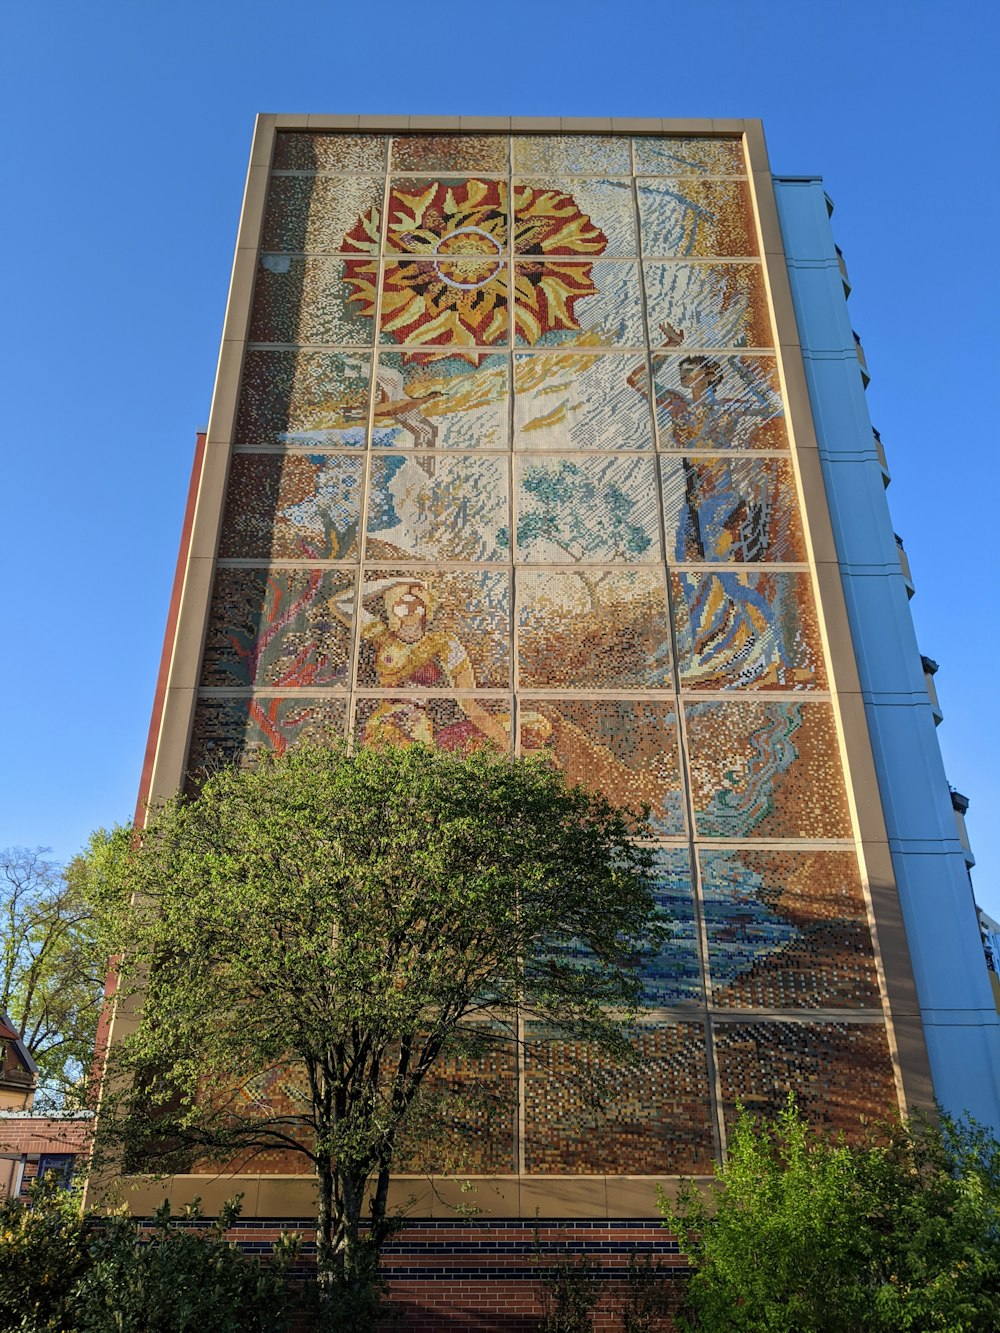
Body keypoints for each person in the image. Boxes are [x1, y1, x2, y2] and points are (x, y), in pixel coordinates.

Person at [360, 580, 509, 750]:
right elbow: (342, 603)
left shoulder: (444, 643)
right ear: (392, 605)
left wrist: (508, 747)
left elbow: (469, 705)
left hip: (418, 731)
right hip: (382, 727)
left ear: (426, 605)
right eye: (402, 600)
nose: (409, 606)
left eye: (415, 600)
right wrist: (397, 582)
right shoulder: (382, 637)